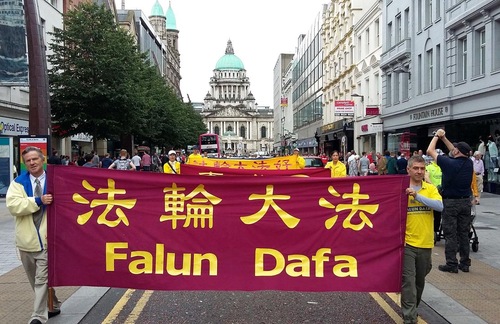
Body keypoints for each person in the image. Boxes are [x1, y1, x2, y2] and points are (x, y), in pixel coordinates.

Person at [6, 146, 61, 324]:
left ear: (42, 159)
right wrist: (38, 200)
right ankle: (54, 304)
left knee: (41, 280)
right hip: (26, 241)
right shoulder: (18, 183)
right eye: (28, 160)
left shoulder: (55, 180)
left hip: (47, 240)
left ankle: (37, 316)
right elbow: (13, 206)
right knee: (34, 280)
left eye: (35, 159)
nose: (32, 163)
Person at [402, 155, 443, 324]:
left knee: (419, 282)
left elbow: (439, 206)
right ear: (408, 170)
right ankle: (410, 318)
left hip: (426, 243)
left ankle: (412, 309)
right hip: (407, 244)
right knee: (409, 283)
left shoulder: (430, 189)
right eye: (416, 168)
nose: (419, 171)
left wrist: (417, 196)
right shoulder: (401, 188)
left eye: (422, 169)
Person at [427, 129, 473, 273]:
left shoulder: (448, 164)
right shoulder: (469, 163)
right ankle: (465, 263)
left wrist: (436, 136)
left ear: (457, 152)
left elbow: (430, 150)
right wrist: (444, 137)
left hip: (451, 202)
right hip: (466, 202)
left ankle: (452, 264)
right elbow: (454, 150)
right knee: (463, 233)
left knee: (451, 234)